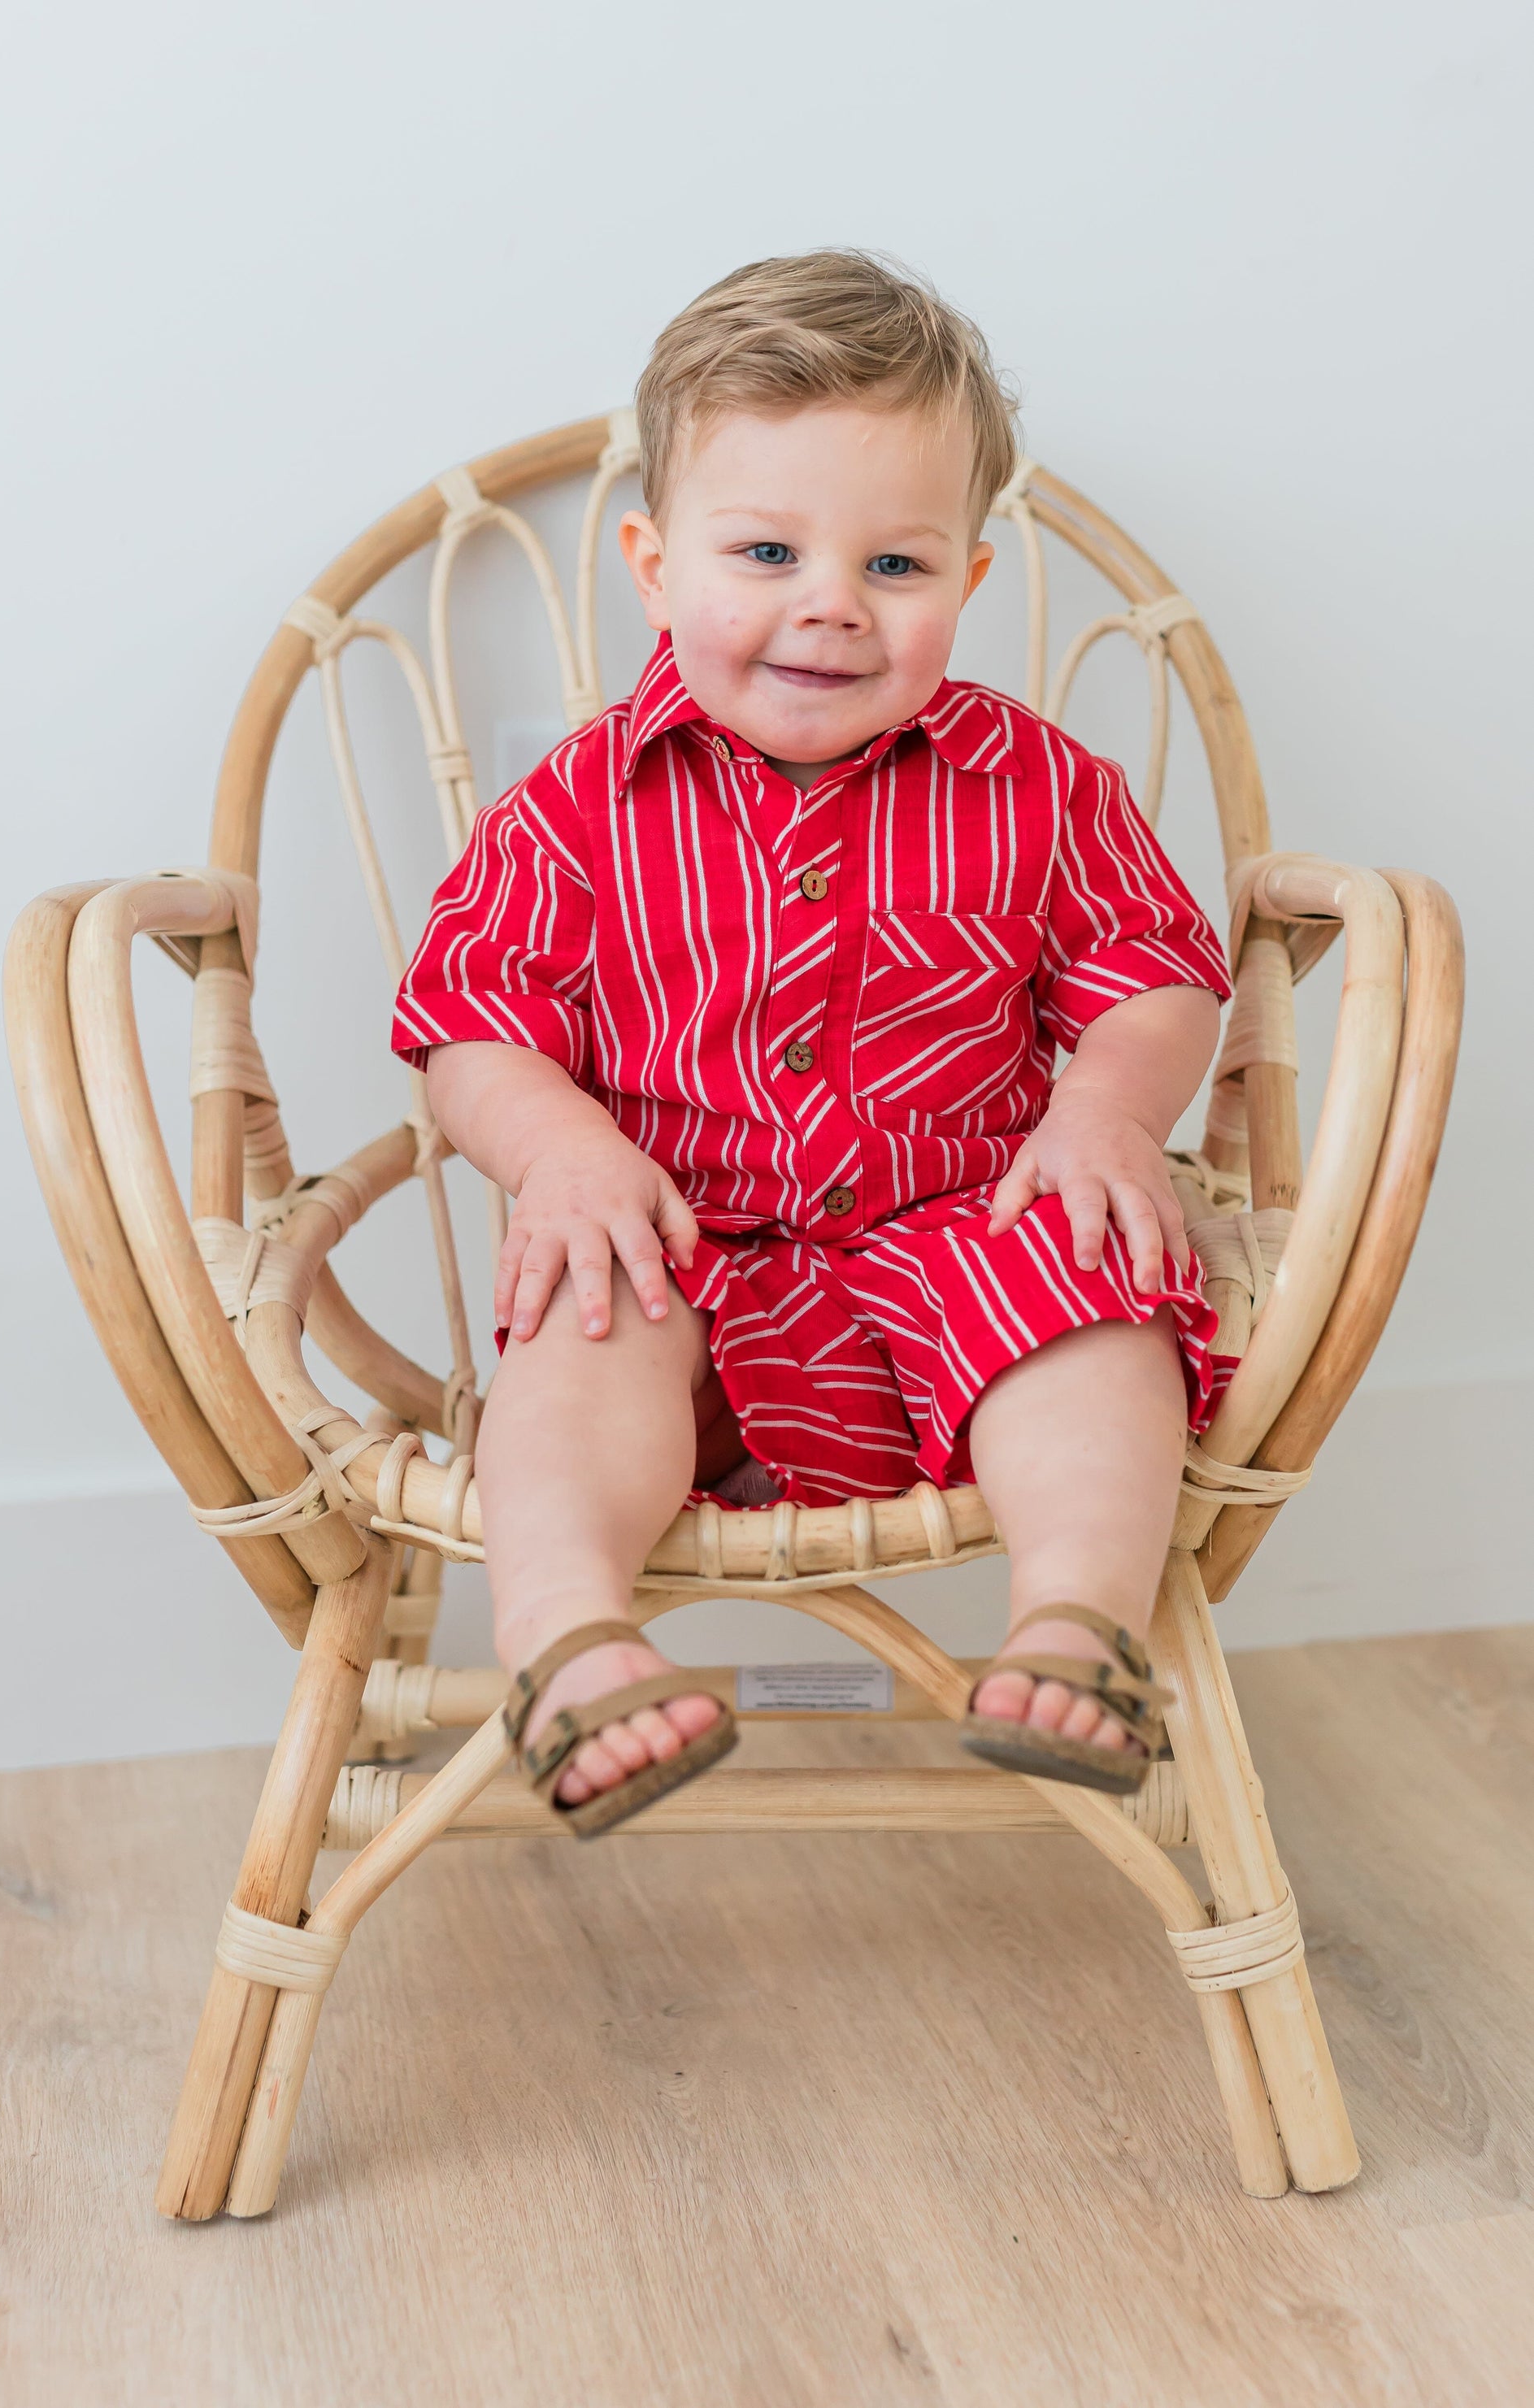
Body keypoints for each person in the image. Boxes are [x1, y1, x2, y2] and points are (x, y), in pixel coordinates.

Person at [393, 250, 1232, 1835]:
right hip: (679, 1253)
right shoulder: (574, 806)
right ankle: (565, 1640)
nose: (831, 602)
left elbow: (1154, 974)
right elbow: (468, 1022)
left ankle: (1077, 1620)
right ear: (654, 567)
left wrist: (1107, 1110)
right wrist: (561, 1151)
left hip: (962, 1245)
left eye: (893, 563)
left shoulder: (1040, 787)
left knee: (1099, 1311)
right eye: (767, 550)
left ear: (967, 580)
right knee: (575, 1339)